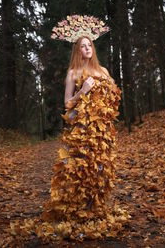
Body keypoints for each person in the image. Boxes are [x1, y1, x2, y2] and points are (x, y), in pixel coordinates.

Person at [40, 15, 128, 241]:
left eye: (89, 45)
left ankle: (94, 208)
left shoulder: (104, 71)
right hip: (80, 129)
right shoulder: (73, 73)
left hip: (101, 131)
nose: (87, 48)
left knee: (100, 167)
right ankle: (79, 210)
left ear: (93, 48)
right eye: (82, 46)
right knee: (80, 166)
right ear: (77, 51)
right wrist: (83, 91)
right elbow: (67, 104)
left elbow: (114, 98)